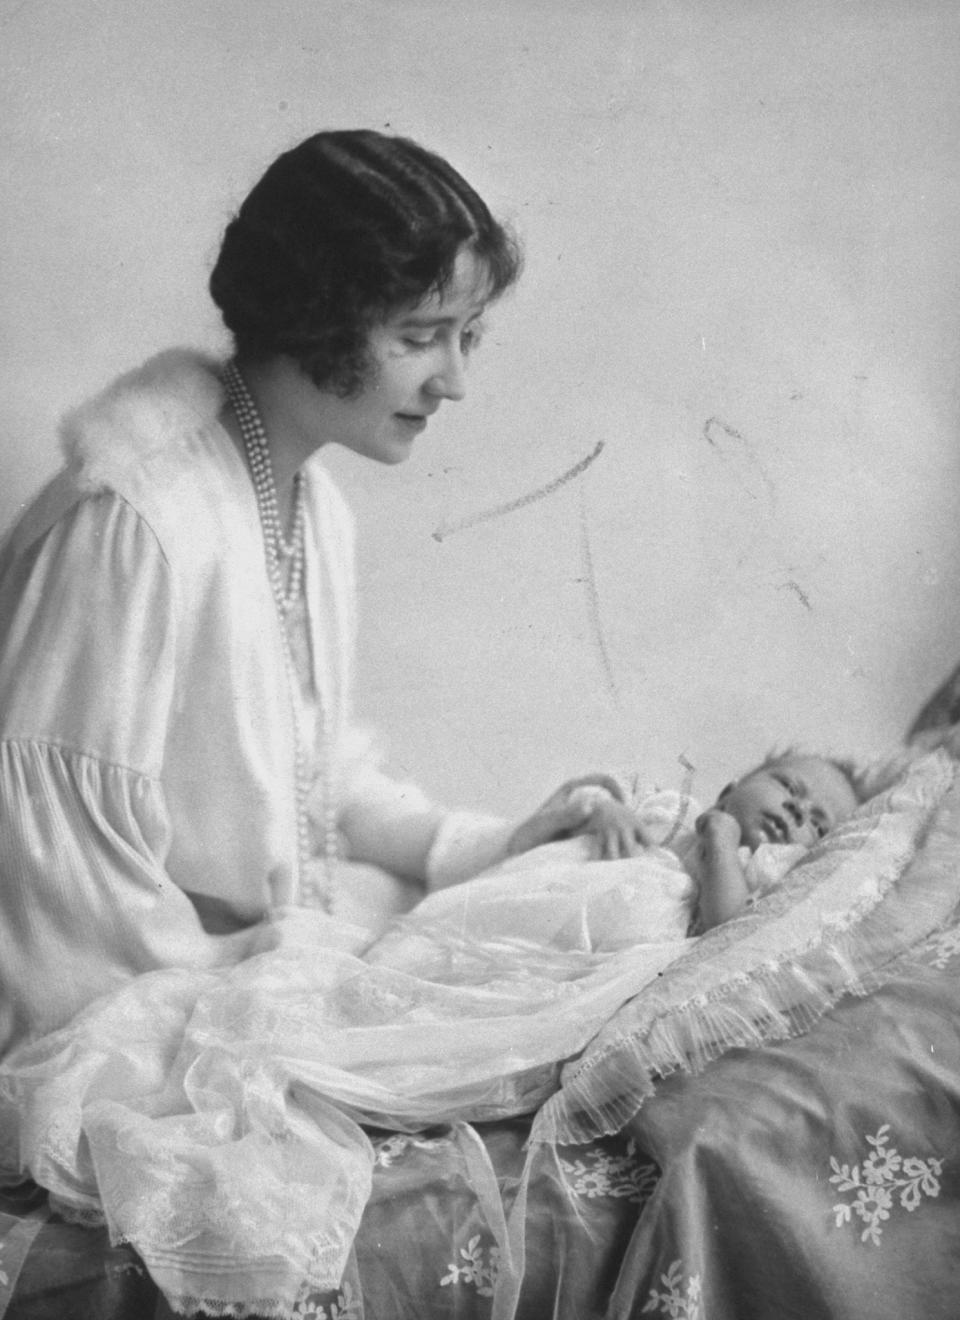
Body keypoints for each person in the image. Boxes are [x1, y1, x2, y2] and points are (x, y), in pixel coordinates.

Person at [0, 128, 613, 1060]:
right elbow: (56, 882)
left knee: (587, 918)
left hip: (239, 954)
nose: (454, 382)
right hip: (115, 988)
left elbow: (309, 784)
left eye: (466, 336)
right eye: (420, 337)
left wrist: (492, 844)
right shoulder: (139, 515)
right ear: (318, 314)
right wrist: (276, 968)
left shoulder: (312, 504)